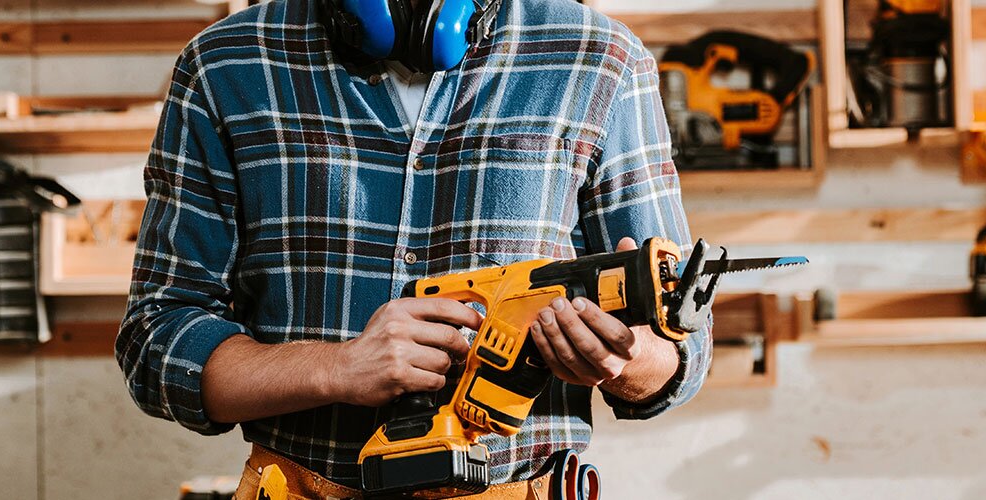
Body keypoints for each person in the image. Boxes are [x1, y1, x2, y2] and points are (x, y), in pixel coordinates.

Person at [116, 0, 711, 495]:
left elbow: (682, 351)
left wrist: (622, 358)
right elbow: (156, 341)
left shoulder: (600, 58)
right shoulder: (227, 63)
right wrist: (337, 368)